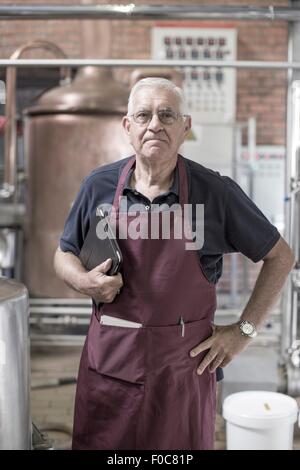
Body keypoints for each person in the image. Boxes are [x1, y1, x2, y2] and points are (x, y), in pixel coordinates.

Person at [54, 77, 295, 450]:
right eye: (144, 115)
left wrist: (244, 331)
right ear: (127, 126)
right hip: (109, 371)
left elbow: (280, 256)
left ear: (185, 127)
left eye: (167, 115)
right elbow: (64, 253)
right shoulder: (98, 186)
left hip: (183, 375)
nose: (155, 124)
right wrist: (83, 282)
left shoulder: (216, 192)